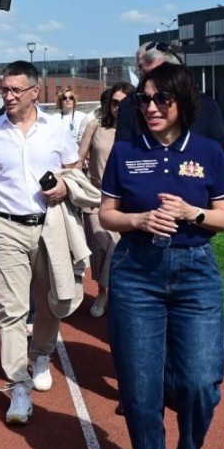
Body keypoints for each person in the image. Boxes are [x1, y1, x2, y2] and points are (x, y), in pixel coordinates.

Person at [100, 62, 224, 449]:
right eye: (145, 99)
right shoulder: (126, 152)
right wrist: (139, 220)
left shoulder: (208, 151)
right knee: (140, 381)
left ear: (183, 101)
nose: (151, 107)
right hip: (136, 271)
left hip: (195, 270)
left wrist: (190, 212)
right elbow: (107, 215)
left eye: (162, 98)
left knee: (200, 380)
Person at [0, 61, 82, 425]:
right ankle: (18, 384)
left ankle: (41, 354)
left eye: (14, 90)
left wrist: (66, 185)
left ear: (34, 93)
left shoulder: (56, 129)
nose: (7, 96)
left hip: (50, 226)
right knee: (11, 310)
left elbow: (74, 170)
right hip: (5, 228)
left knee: (50, 300)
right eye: (4, 89)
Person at [115, 41, 224, 168]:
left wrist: (187, 172)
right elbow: (121, 159)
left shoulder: (206, 105)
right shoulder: (130, 106)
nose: (151, 108)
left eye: (161, 74)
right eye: (147, 74)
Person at [78, 82, 135, 318]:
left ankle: (122, 295)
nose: (117, 108)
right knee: (104, 247)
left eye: (123, 103)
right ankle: (102, 292)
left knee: (126, 250)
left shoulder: (139, 129)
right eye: (113, 102)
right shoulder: (96, 126)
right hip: (96, 196)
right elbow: (78, 159)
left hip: (130, 200)